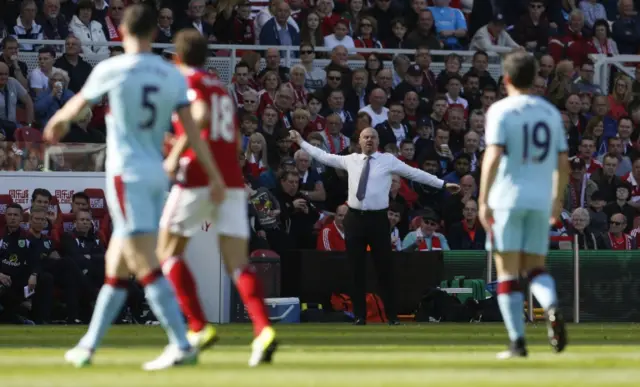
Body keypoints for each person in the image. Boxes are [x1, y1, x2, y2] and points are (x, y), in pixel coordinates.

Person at [43, 4, 225, 371]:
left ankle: (181, 340)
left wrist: (56, 124)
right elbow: (190, 132)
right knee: (117, 265)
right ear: (155, 33)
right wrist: (215, 175)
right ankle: (87, 346)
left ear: (121, 33)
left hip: (127, 176)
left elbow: (78, 105)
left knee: (144, 262)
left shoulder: (112, 68)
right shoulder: (170, 73)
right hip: (157, 176)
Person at [159, 29, 277, 367]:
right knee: (238, 263)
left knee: (166, 253)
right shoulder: (222, 91)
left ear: (177, 58)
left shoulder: (190, 84)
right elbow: (234, 138)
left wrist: (174, 155)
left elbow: (196, 121)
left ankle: (198, 327)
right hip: (232, 181)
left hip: (198, 178)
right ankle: (263, 329)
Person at [289, 128, 459, 325]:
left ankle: (392, 316)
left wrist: (443, 185)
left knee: (384, 269)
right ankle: (360, 316)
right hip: (354, 219)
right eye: (365, 137)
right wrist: (301, 141)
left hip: (378, 220)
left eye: (373, 137)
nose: (369, 140)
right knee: (355, 270)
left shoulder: (388, 160)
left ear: (378, 141)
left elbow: (415, 174)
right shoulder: (350, 159)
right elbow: (323, 156)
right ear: (359, 141)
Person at [478, 51, 569, 359]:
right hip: (540, 200)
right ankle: (551, 304)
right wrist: (557, 200)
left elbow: (492, 156)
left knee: (507, 272)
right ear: (535, 78)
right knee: (535, 267)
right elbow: (562, 162)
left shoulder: (500, 111)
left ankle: (517, 343)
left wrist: (482, 200)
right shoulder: (550, 113)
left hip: (507, 199)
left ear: (506, 80)